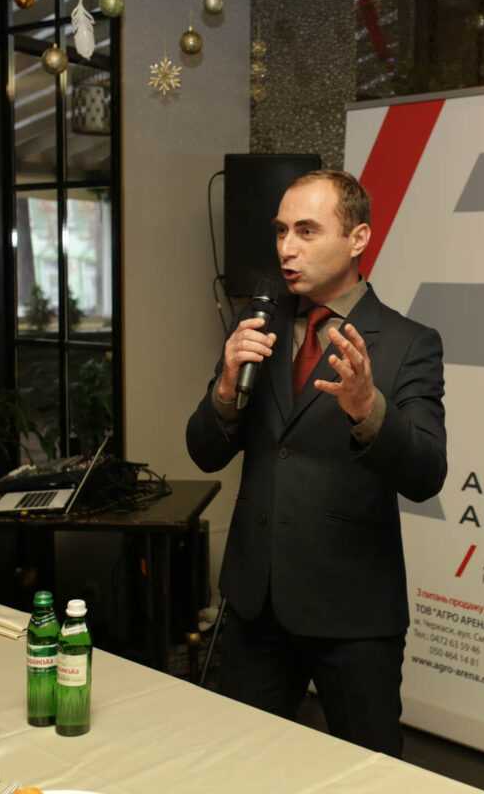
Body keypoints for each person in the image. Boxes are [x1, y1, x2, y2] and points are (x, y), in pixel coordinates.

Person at [186, 170, 447, 756]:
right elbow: (203, 450)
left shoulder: (408, 342)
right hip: (256, 604)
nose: (286, 247)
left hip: (353, 614)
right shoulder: (260, 327)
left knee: (369, 775)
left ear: (358, 239)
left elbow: (427, 473)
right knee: (239, 767)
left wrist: (369, 409)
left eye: (306, 231)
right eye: (281, 231)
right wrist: (225, 387)